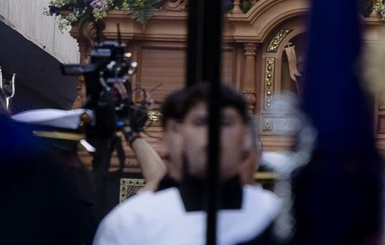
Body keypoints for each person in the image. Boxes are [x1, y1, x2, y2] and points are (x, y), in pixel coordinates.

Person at [93, 84, 278, 245]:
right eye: (200, 122)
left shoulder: (278, 216)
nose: (212, 133)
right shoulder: (131, 221)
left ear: (246, 138)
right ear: (182, 136)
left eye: (225, 122)